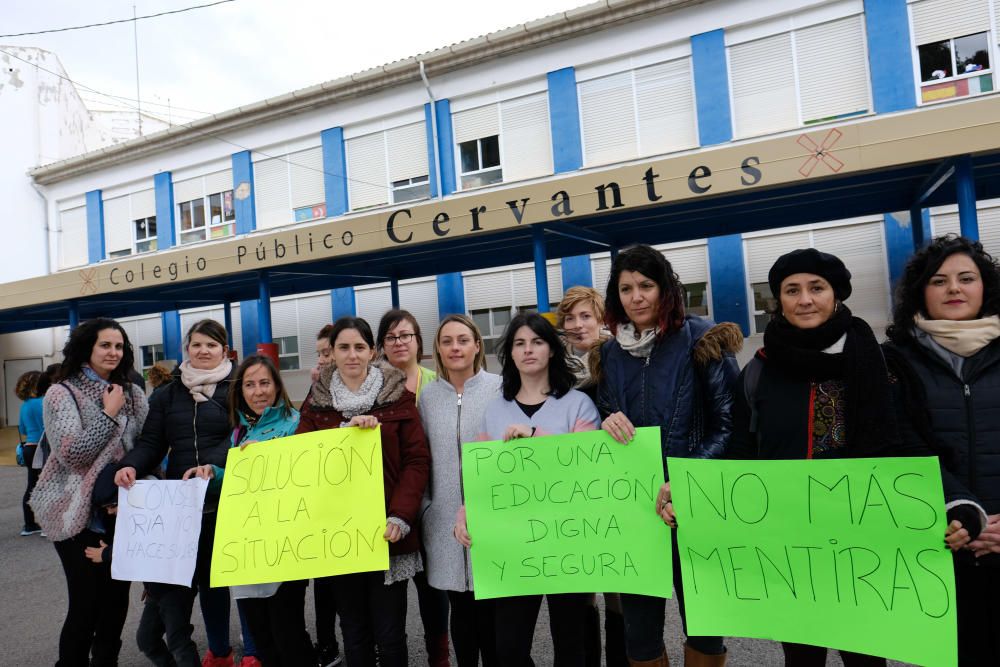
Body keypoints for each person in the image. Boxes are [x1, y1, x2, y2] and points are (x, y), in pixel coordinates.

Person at [728, 248, 900, 666]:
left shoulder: (878, 359)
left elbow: (907, 441)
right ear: (779, 302)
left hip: (864, 542)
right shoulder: (759, 369)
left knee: (866, 655)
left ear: (836, 295)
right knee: (802, 656)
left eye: (816, 288)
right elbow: (740, 450)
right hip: (790, 542)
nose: (805, 299)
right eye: (792, 290)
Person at [597, 244, 740, 667]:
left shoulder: (702, 339)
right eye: (625, 288)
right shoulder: (608, 353)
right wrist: (607, 420)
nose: (636, 296)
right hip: (636, 512)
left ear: (666, 289)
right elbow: (607, 411)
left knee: (704, 627)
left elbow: (729, 424)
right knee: (639, 634)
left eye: (646, 285)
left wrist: (688, 479)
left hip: (694, 505)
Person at [882, 236, 1000, 666]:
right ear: (920, 293)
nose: (954, 289)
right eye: (939, 280)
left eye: (966, 278)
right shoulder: (893, 362)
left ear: (985, 287)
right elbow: (900, 447)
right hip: (940, 545)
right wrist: (959, 509)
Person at [458, 312, 601, 667]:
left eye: (537, 341)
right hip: (516, 546)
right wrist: (465, 513)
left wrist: (537, 438)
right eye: (519, 343)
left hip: (568, 542)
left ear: (552, 349)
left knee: (571, 646)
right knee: (508, 648)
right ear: (510, 354)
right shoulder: (495, 411)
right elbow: (482, 478)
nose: (528, 350)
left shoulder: (577, 404)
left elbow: (590, 469)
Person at [296, 316, 430, 667]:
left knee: (389, 636)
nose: (352, 355)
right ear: (332, 353)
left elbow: (416, 461)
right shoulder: (316, 404)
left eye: (359, 347)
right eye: (343, 347)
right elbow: (301, 458)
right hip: (341, 536)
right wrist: (344, 433)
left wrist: (401, 515)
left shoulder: (398, 397)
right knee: (354, 633)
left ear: (372, 351)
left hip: (388, 533)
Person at [114, 319, 236, 667]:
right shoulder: (168, 394)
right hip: (180, 505)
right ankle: (187, 649)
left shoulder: (237, 387)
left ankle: (220, 649)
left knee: (218, 583)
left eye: (211, 345)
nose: (203, 351)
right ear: (187, 349)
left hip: (223, 498)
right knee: (181, 579)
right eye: (196, 344)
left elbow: (239, 437)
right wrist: (132, 465)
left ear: (223, 351)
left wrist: (210, 466)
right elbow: (152, 441)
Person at [29, 317, 149, 667]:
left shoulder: (134, 393)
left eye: (119, 346)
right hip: (72, 513)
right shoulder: (60, 393)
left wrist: (134, 489)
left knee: (115, 603)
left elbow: (147, 448)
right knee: (85, 604)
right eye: (105, 345)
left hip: (120, 509)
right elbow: (73, 454)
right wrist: (108, 414)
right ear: (87, 348)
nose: (114, 352)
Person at [185, 354, 318, 667]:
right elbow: (239, 482)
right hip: (249, 552)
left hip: (286, 548)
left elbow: (307, 477)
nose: (258, 391)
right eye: (250, 385)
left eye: (264, 383)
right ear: (240, 391)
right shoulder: (240, 431)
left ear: (277, 386)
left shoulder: (295, 424)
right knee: (261, 639)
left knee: (288, 634)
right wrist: (213, 474)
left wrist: (269, 460)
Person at [418, 314, 502, 666]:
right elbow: (421, 458)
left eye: (463, 340)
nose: (455, 347)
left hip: (493, 522)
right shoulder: (428, 397)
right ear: (437, 348)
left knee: (495, 619)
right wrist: (428, 510)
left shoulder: (499, 389)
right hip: (444, 524)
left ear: (477, 345)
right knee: (461, 615)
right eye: (447, 341)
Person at [554, 288, 625, 667]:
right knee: (582, 588)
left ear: (601, 320)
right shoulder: (557, 372)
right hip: (574, 492)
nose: (578, 325)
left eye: (586, 316)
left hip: (615, 489)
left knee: (617, 585)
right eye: (570, 318)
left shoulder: (619, 360)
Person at [376, 309, 451, 666]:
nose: (399, 342)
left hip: (436, 500)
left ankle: (439, 653)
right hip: (391, 504)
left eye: (406, 335)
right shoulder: (373, 389)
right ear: (381, 346)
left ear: (419, 341)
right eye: (391, 337)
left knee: (435, 589)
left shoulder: (438, 385)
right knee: (390, 598)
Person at [308, 322, 344, 667]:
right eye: (319, 353)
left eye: (327, 351)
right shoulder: (315, 393)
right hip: (322, 506)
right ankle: (327, 642)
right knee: (324, 586)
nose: (322, 359)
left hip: (353, 505)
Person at [16, 370, 45, 536]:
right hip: (41, 448)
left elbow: (23, 429)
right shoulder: (42, 402)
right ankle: (48, 524)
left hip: (28, 447)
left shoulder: (25, 405)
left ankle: (29, 524)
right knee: (49, 485)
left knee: (32, 485)